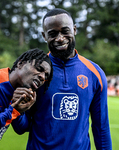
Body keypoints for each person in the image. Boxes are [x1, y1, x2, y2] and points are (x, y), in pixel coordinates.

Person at [12, 8, 112, 150]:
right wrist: (18, 111)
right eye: (52, 33)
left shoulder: (95, 73)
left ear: (74, 30)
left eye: (65, 31)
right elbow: (22, 128)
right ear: (44, 36)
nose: (60, 38)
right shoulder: (34, 73)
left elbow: (101, 128)